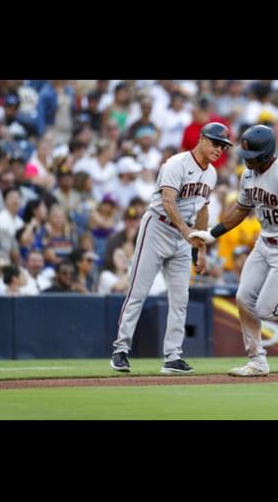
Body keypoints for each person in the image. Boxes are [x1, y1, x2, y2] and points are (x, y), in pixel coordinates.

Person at [189, 125, 278, 377]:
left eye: (253, 158)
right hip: (264, 244)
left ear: (266, 154)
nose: (248, 162)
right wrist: (212, 233)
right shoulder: (248, 175)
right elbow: (241, 209)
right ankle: (257, 361)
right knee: (244, 299)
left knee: (267, 309)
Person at [110, 122, 231, 375]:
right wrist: (187, 233)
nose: (219, 149)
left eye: (223, 146)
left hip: (183, 236)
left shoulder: (211, 174)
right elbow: (167, 201)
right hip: (157, 227)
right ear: (201, 139)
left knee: (180, 299)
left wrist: (202, 248)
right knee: (137, 292)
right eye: (215, 143)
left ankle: (173, 356)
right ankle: (120, 350)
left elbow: (203, 209)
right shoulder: (176, 163)